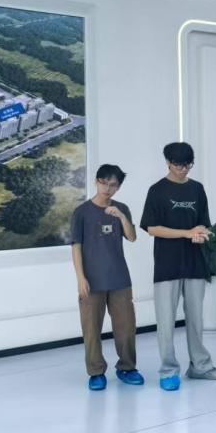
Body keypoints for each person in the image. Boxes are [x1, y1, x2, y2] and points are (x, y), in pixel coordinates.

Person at [140, 142, 216, 391]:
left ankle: (200, 366)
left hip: (194, 262)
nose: (183, 169)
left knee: (196, 319)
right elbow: (151, 228)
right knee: (166, 321)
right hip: (167, 264)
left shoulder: (197, 189)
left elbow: (203, 223)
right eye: (178, 165)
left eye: (188, 165)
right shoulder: (157, 190)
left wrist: (200, 232)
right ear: (168, 162)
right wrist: (187, 233)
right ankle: (168, 371)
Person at [71, 164, 143, 390]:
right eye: (104, 183)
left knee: (126, 327)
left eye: (113, 185)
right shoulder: (82, 212)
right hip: (92, 281)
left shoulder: (122, 208)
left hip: (119, 278)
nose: (107, 188)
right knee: (91, 329)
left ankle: (127, 368)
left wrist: (121, 216)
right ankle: (95, 372)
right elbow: (76, 247)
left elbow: (132, 237)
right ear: (96, 181)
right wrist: (80, 278)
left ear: (118, 187)